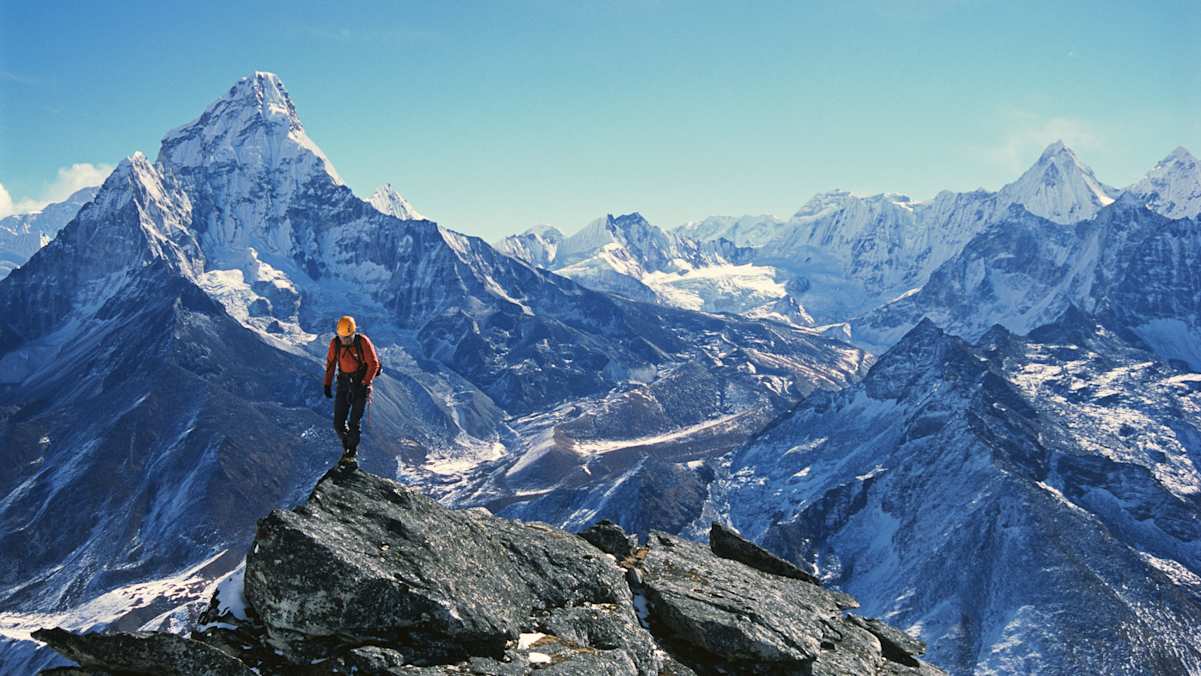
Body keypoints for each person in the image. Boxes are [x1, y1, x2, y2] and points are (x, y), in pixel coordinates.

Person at [323, 315, 381, 466]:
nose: (345, 340)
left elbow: (373, 364)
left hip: (360, 385)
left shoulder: (362, 342)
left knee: (354, 421)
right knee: (338, 423)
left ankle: (351, 451)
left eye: (348, 337)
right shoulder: (335, 344)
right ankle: (347, 445)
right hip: (344, 384)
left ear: (353, 332)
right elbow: (330, 364)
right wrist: (327, 384)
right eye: (342, 337)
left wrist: (365, 383)